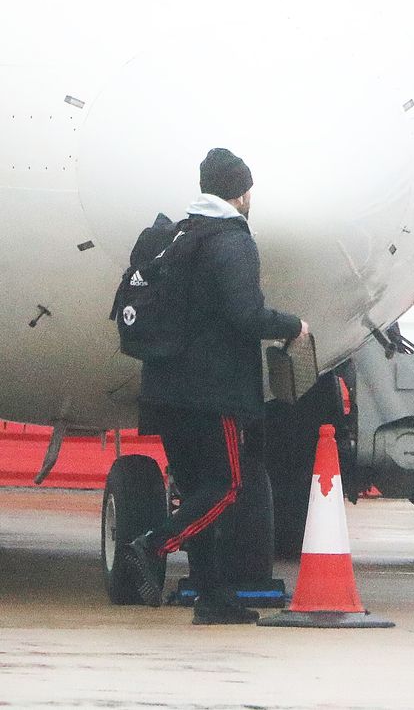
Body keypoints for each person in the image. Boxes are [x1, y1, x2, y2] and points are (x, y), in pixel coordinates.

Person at [124, 148, 306, 625]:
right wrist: (294, 326)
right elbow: (246, 316)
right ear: (242, 193)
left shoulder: (180, 235)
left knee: (197, 490)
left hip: (164, 386)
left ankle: (213, 597)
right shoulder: (232, 241)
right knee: (228, 486)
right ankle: (154, 544)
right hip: (214, 392)